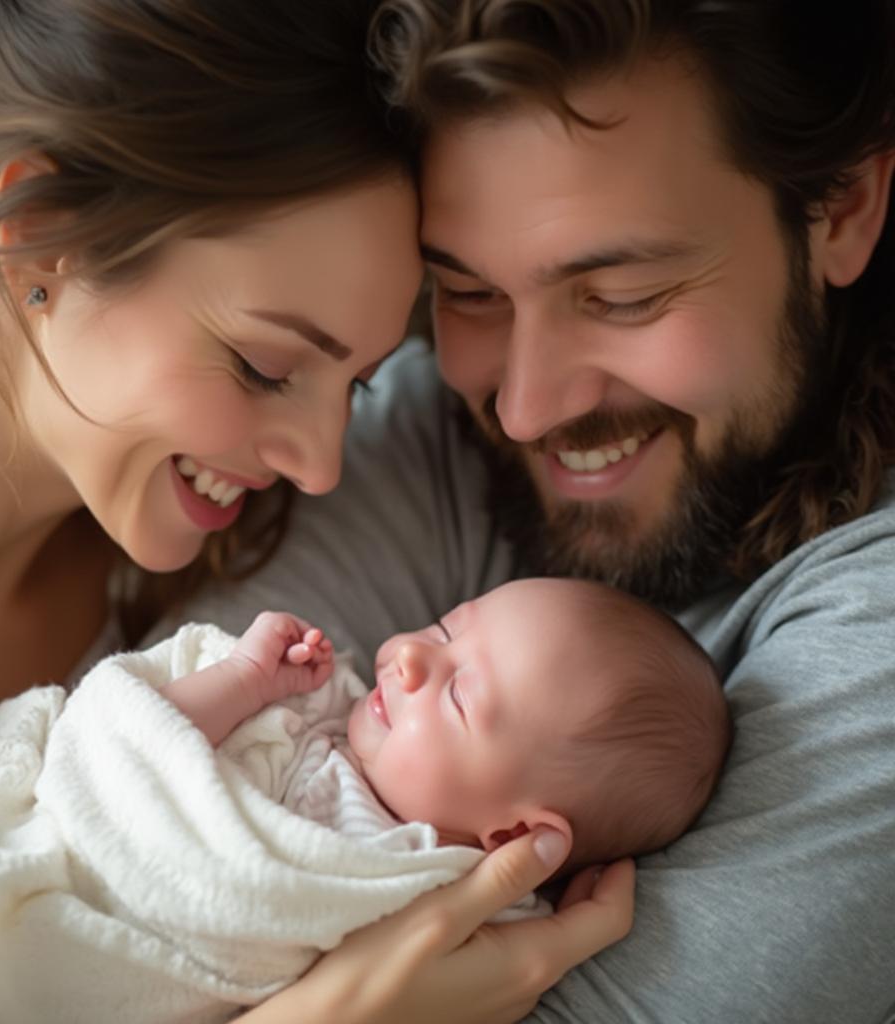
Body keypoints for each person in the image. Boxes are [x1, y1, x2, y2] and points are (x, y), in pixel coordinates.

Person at [0, 0, 635, 1016]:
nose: (321, 467)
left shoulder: (192, 583)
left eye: (356, 382)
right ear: (41, 236)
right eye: (266, 365)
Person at [165, 0, 895, 1021]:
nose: (522, 406)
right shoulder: (428, 433)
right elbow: (115, 809)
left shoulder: (876, 627)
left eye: (622, 294)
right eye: (468, 295)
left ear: (843, 205)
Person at [0, 579, 725, 1022]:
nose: (412, 661)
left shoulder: (437, 896)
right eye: (446, 628)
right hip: (42, 862)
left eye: (461, 696)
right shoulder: (308, 705)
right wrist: (240, 681)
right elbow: (124, 738)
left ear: (516, 833)